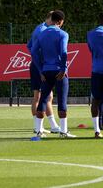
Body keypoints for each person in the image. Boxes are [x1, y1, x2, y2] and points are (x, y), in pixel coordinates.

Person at [30, 10, 74, 138]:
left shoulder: (42, 33)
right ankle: (63, 131)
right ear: (60, 21)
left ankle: (39, 131)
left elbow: (33, 51)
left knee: (43, 99)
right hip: (59, 71)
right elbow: (64, 52)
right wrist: (63, 69)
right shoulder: (63, 34)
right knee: (62, 100)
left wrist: (40, 70)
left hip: (46, 70)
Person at [27, 11, 60, 134]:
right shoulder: (42, 30)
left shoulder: (40, 28)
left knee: (47, 95)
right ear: (51, 19)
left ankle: (51, 125)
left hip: (41, 65)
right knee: (39, 96)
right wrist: (40, 63)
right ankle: (38, 126)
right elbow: (33, 48)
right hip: (39, 66)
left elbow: (29, 45)